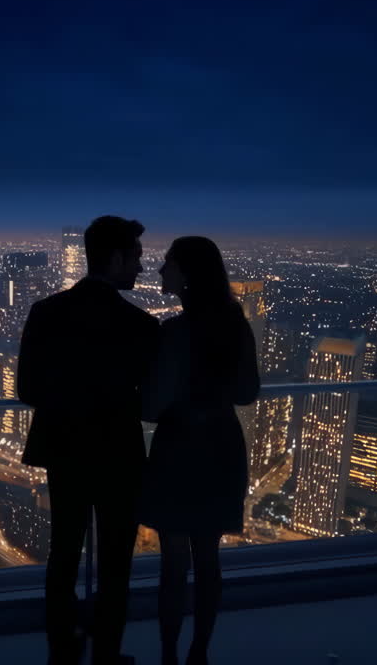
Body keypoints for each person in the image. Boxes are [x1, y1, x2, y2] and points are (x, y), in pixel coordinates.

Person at [17, 215, 161, 665]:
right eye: (136, 257)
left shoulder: (46, 312)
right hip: (118, 453)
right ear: (115, 257)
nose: (140, 267)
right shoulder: (141, 326)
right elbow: (153, 402)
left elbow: (28, 390)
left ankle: (61, 651)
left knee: (63, 554)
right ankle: (106, 654)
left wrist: (71, 402)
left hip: (65, 449)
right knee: (116, 561)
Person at [139, 236, 260, 665]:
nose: (159, 271)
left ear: (187, 273)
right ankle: (199, 654)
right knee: (208, 560)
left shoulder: (174, 332)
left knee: (174, 564)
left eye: (168, 263)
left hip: (179, 450)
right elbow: (247, 392)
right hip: (222, 446)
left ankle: (169, 654)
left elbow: (151, 407)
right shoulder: (235, 323)